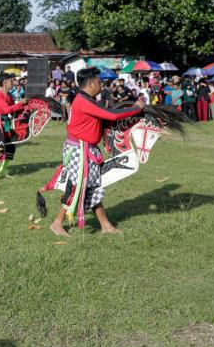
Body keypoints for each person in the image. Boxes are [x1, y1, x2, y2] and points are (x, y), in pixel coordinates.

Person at [48, 67, 145, 236]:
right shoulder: (83, 101)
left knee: (91, 187)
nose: (102, 85)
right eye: (100, 82)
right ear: (92, 83)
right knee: (80, 186)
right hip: (79, 150)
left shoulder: (87, 99)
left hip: (86, 149)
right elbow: (112, 115)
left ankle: (105, 225)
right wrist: (136, 108)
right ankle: (57, 223)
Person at [0, 73, 26, 178]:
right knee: (0, 144)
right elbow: (6, 109)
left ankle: (3, 169)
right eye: (11, 81)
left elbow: (14, 109)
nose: (13, 83)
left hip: (6, 124)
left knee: (11, 146)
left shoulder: (9, 96)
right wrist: (20, 104)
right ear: (5, 82)